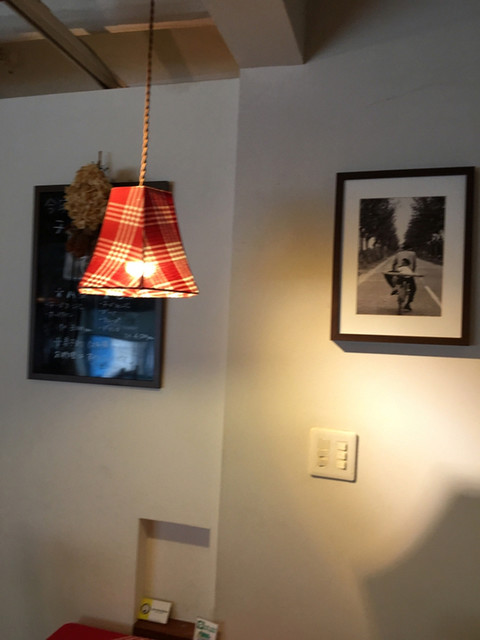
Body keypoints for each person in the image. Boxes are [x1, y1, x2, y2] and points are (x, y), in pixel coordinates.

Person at [384, 245, 418, 311]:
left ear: (402, 248)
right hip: (409, 275)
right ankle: (408, 304)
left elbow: (394, 264)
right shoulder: (413, 253)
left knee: (387, 274)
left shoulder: (398, 253)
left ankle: (394, 287)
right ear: (410, 248)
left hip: (399, 273)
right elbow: (414, 265)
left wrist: (394, 271)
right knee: (413, 288)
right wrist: (411, 273)